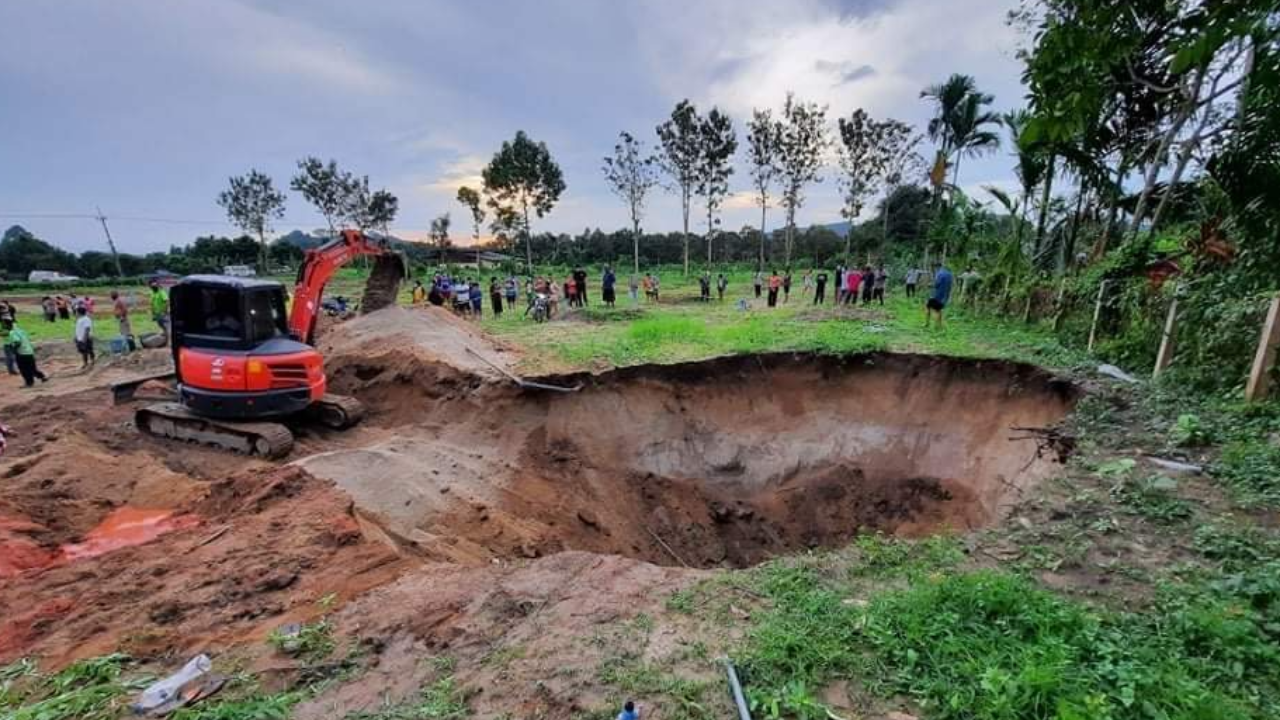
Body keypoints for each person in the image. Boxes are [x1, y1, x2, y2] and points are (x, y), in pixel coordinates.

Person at [3, 317, 47, 387]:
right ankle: (42, 376)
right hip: (29, 351)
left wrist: (14, 350)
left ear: (6, 325)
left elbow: (17, 342)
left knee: (24, 369)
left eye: (4, 324)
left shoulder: (12, 332)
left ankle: (29, 383)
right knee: (32, 368)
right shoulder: (21, 330)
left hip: (21, 353)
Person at [926, 262, 954, 329]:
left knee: (928, 307)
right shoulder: (950, 274)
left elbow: (936, 284)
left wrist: (930, 285)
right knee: (939, 310)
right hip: (945, 297)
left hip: (937, 296)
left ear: (936, 267)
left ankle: (928, 323)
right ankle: (939, 325)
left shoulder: (939, 273)